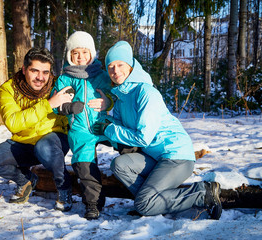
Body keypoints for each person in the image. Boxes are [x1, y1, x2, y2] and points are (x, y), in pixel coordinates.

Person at [93, 41, 223, 220]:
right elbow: (119, 128)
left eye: (120, 65)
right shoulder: (121, 97)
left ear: (130, 66)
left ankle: (203, 193)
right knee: (119, 165)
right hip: (155, 157)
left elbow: (143, 138)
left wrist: (109, 130)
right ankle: (150, 202)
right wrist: (101, 118)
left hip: (176, 156)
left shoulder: (146, 92)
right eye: (110, 67)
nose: (115, 71)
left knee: (143, 204)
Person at [0, 47, 74, 212]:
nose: (40, 77)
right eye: (34, 71)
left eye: (46, 72)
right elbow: (14, 123)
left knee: (44, 146)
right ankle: (25, 180)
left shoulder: (58, 85)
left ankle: (64, 187)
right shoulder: (8, 89)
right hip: (24, 143)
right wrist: (49, 104)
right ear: (24, 69)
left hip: (53, 141)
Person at [51, 31, 113, 220]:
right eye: (76, 53)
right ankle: (93, 203)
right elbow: (55, 105)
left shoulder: (101, 76)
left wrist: (107, 102)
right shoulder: (65, 78)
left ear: (92, 54)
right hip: (80, 129)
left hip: (103, 125)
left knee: (130, 147)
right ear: (70, 55)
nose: (80, 57)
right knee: (84, 163)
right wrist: (68, 107)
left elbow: (115, 96)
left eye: (85, 53)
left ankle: (143, 192)